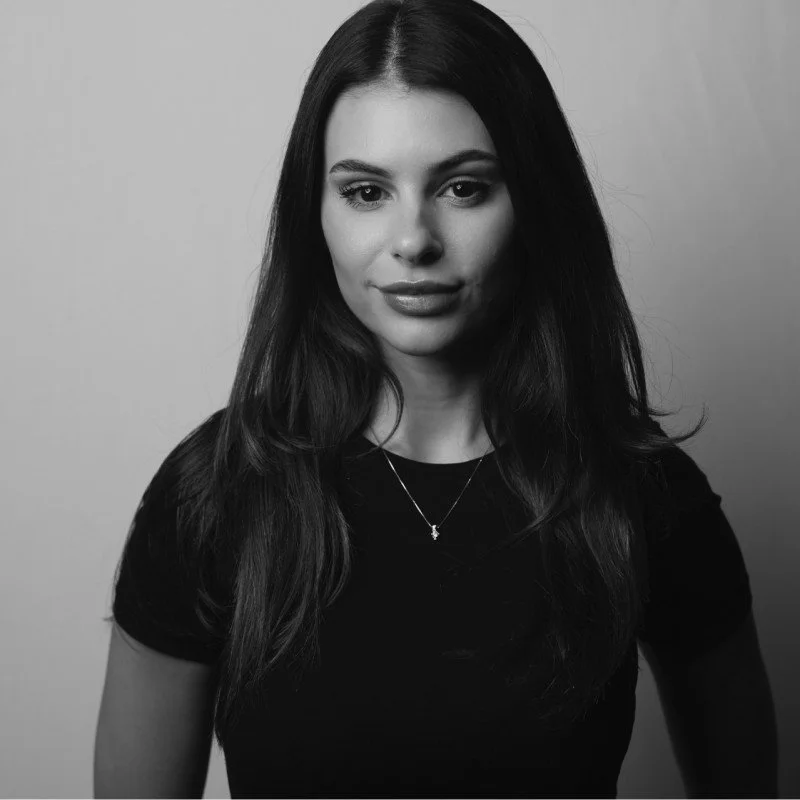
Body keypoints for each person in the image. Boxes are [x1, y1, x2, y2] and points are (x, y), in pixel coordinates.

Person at [94, 0, 778, 797]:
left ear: (534, 203)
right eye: (365, 192)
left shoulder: (645, 496)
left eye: (461, 187)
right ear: (313, 215)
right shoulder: (214, 495)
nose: (412, 240)